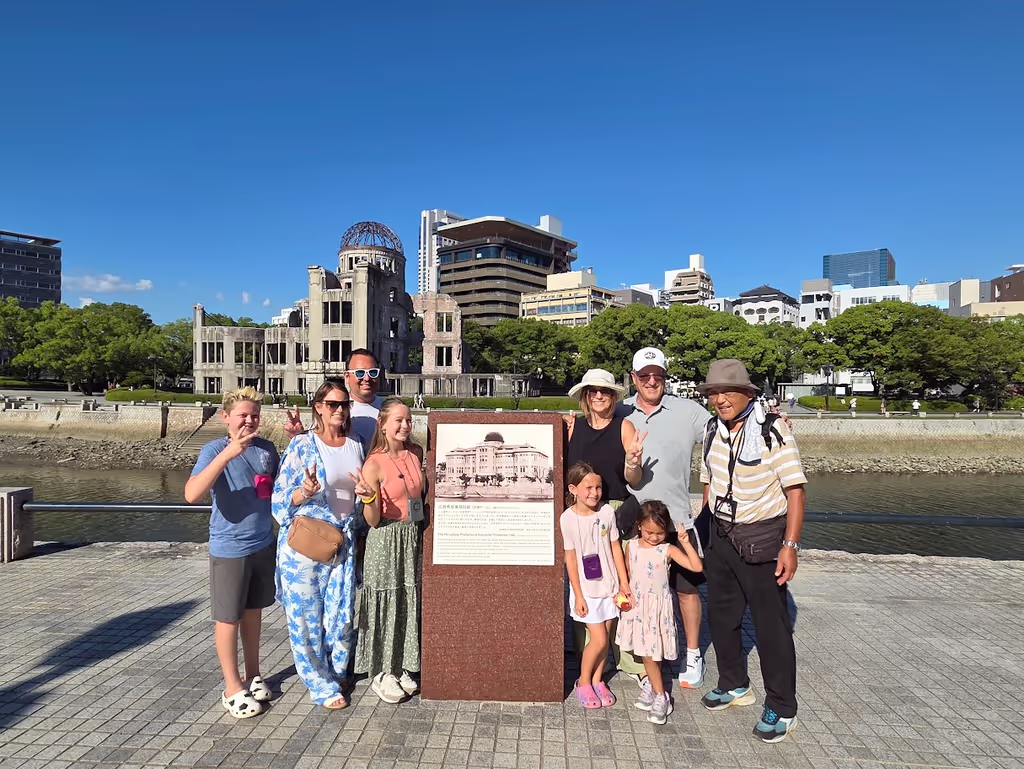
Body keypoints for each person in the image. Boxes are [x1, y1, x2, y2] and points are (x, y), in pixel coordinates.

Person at [697, 359, 806, 744]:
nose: (720, 399)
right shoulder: (712, 429)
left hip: (762, 538)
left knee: (770, 627)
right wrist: (705, 531)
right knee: (721, 617)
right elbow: (709, 482)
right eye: (713, 393)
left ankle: (783, 706)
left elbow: (795, 492)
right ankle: (734, 683)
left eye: (728, 391)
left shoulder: (772, 429)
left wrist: (790, 546)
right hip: (720, 537)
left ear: (747, 393)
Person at [620, 347, 712, 690]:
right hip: (638, 522)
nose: (651, 381)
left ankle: (693, 653)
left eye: (657, 375)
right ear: (634, 378)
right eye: (644, 375)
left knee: (686, 591)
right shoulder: (622, 411)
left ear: (665, 377)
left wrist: (769, 422)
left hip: (678, 521)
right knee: (639, 590)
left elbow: (723, 432)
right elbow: (594, 429)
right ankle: (642, 655)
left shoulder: (688, 411)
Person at [184, 386, 279, 719]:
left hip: (262, 542)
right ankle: (231, 687)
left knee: (253, 611)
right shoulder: (213, 449)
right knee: (228, 618)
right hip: (229, 546)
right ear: (226, 417)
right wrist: (228, 454)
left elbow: (275, 490)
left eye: (255, 415)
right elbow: (192, 494)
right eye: (242, 415)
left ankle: (253, 674)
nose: (249, 421)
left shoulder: (267, 449)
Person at [272, 378, 363, 709]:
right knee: (305, 619)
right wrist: (305, 492)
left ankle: (337, 670)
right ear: (319, 408)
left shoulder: (356, 444)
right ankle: (319, 684)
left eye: (344, 404)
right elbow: (279, 499)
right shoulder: (302, 445)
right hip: (305, 546)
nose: (339, 410)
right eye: (332, 404)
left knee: (340, 615)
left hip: (343, 542)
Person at [564, 368, 645, 678]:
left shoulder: (624, 426)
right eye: (593, 391)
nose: (599, 396)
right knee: (584, 583)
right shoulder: (574, 426)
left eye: (606, 391)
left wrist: (633, 461)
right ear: (585, 396)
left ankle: (627, 659)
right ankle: (589, 659)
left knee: (620, 585)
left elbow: (633, 478)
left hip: (613, 510)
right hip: (580, 513)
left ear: (613, 397)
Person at [351, 397, 424, 703]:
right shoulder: (374, 463)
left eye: (408, 420)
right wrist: (369, 498)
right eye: (398, 420)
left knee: (406, 600)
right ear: (382, 424)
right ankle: (381, 671)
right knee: (386, 601)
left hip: (412, 536)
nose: (405, 426)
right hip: (386, 539)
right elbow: (372, 520)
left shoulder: (415, 453)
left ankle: (401, 663)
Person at [617, 500, 704, 725]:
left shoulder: (668, 549)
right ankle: (656, 690)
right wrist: (623, 594)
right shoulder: (631, 547)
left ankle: (661, 695)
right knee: (646, 653)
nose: (654, 537)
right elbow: (628, 574)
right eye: (649, 532)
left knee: (651, 655)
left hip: (657, 611)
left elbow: (697, 567)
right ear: (639, 526)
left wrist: (686, 543)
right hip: (638, 608)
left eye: (660, 533)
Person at [560, 462, 632, 709]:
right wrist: (577, 594)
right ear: (573, 489)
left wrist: (623, 582)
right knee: (599, 639)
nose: (594, 492)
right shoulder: (567, 518)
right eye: (588, 487)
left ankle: (598, 679)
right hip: (586, 589)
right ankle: (583, 681)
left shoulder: (607, 513)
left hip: (609, 585)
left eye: (598, 487)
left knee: (606, 636)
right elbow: (570, 558)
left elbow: (615, 547)